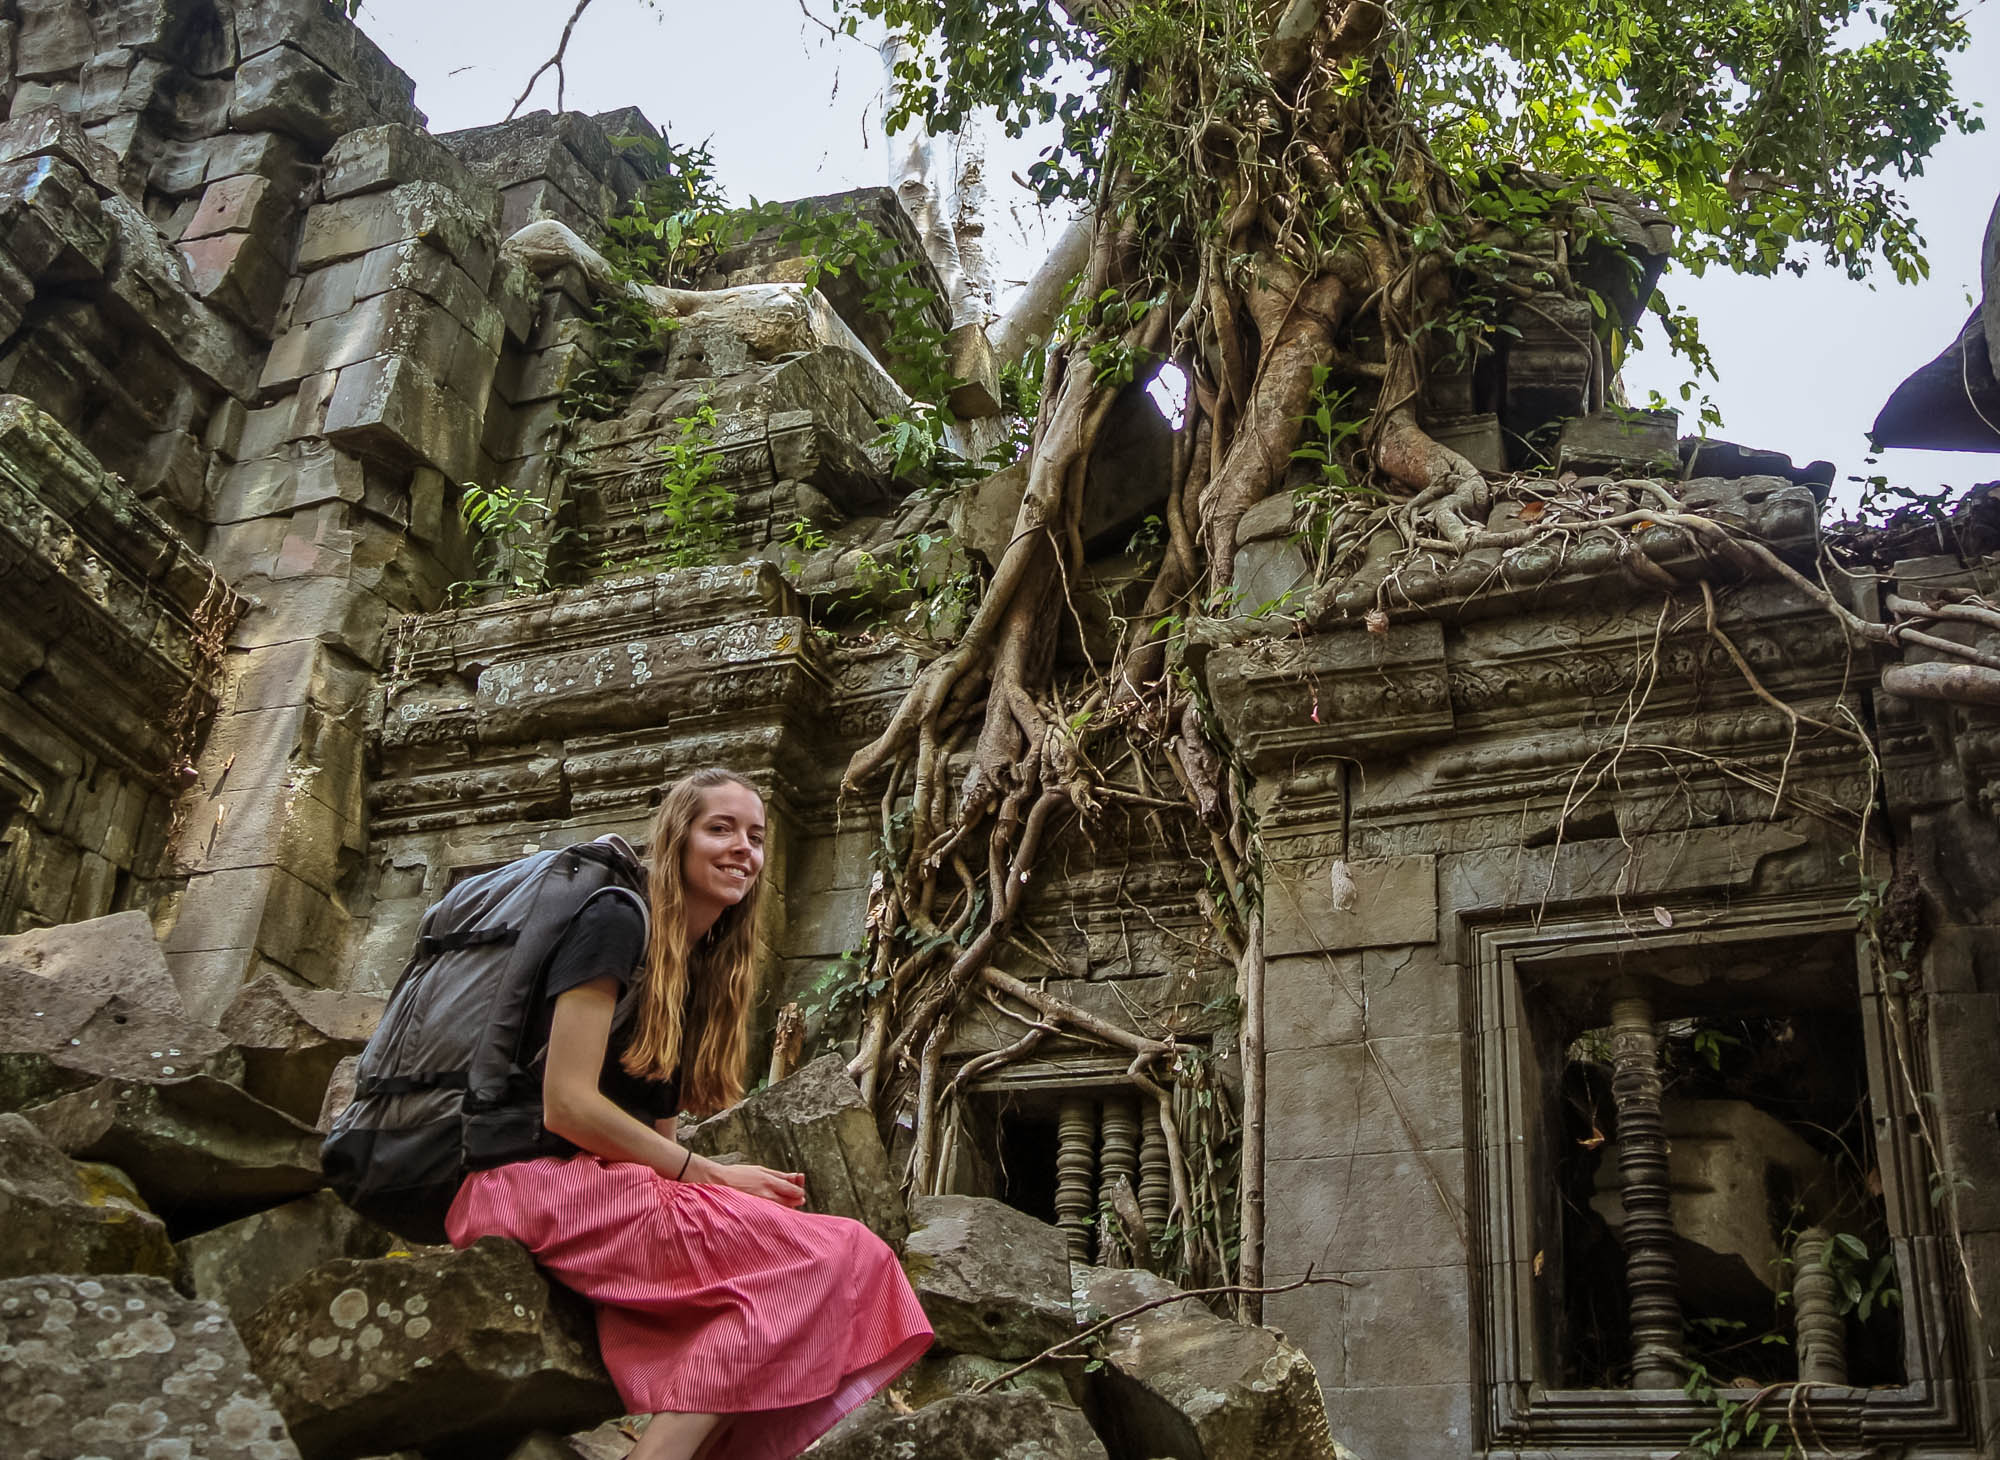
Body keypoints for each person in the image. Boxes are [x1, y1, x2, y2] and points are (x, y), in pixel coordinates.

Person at [444, 768, 933, 1460]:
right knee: (831, 1257)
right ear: (676, 840)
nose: (744, 850)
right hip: (526, 1182)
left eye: (756, 837)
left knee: (838, 1262)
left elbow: (659, 1145)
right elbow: (566, 1102)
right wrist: (711, 1173)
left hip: (594, 1189)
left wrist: (721, 1183)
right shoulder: (616, 921)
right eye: (721, 828)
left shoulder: (692, 967)